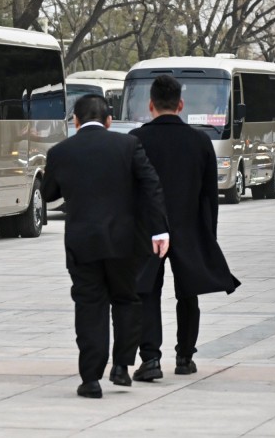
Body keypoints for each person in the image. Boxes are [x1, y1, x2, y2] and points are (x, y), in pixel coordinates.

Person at [42, 94, 170, 399]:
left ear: (75, 121)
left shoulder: (61, 151)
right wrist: (159, 229)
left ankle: (90, 378)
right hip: (124, 242)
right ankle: (122, 367)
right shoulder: (127, 146)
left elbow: (48, 193)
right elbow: (151, 184)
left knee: (89, 306)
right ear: (109, 120)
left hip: (82, 242)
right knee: (126, 300)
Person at [130, 74, 240, 382]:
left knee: (147, 292)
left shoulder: (136, 140)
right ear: (180, 104)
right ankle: (184, 356)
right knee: (187, 292)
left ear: (150, 105)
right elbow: (210, 196)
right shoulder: (200, 141)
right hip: (190, 227)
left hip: (149, 230)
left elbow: (132, 192)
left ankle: (150, 358)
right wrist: (209, 236)